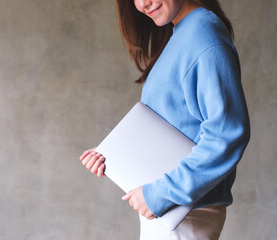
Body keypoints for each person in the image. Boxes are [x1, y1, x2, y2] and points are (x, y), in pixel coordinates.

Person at [79, 0, 250, 239]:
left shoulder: (203, 35)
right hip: (171, 212)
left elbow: (226, 135)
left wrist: (160, 194)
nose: (142, 4)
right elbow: (173, 124)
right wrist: (114, 154)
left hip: (185, 214)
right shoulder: (182, 33)